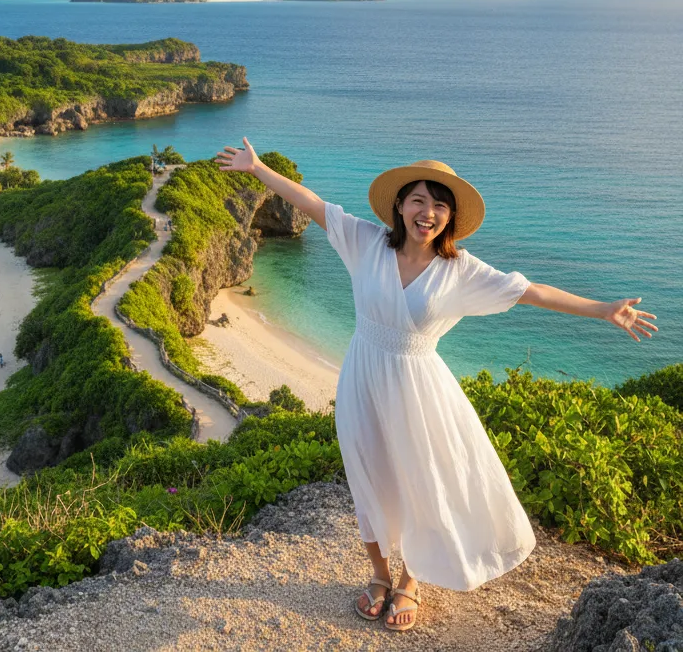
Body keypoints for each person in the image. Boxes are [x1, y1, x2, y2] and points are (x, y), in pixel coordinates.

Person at [214, 141, 657, 633]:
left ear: (450, 218)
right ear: (400, 206)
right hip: (362, 376)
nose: (428, 213)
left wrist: (602, 309)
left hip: (420, 388)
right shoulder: (364, 242)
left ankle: (411, 580)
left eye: (439, 205)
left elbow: (531, 292)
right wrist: (257, 168)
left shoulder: (460, 271)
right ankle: (379, 576)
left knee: (419, 483)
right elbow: (312, 204)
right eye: (419, 201)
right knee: (369, 481)